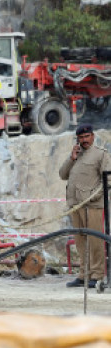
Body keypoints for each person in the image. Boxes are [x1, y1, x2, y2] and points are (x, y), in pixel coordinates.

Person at [60, 123, 111, 288]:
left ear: (93, 136)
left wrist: (91, 197)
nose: (84, 140)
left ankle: (97, 275)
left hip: (93, 206)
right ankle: (83, 275)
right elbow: (62, 174)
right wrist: (71, 158)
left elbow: (107, 180)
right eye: (81, 137)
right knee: (80, 241)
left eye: (87, 136)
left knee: (95, 241)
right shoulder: (76, 155)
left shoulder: (101, 155)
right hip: (76, 205)